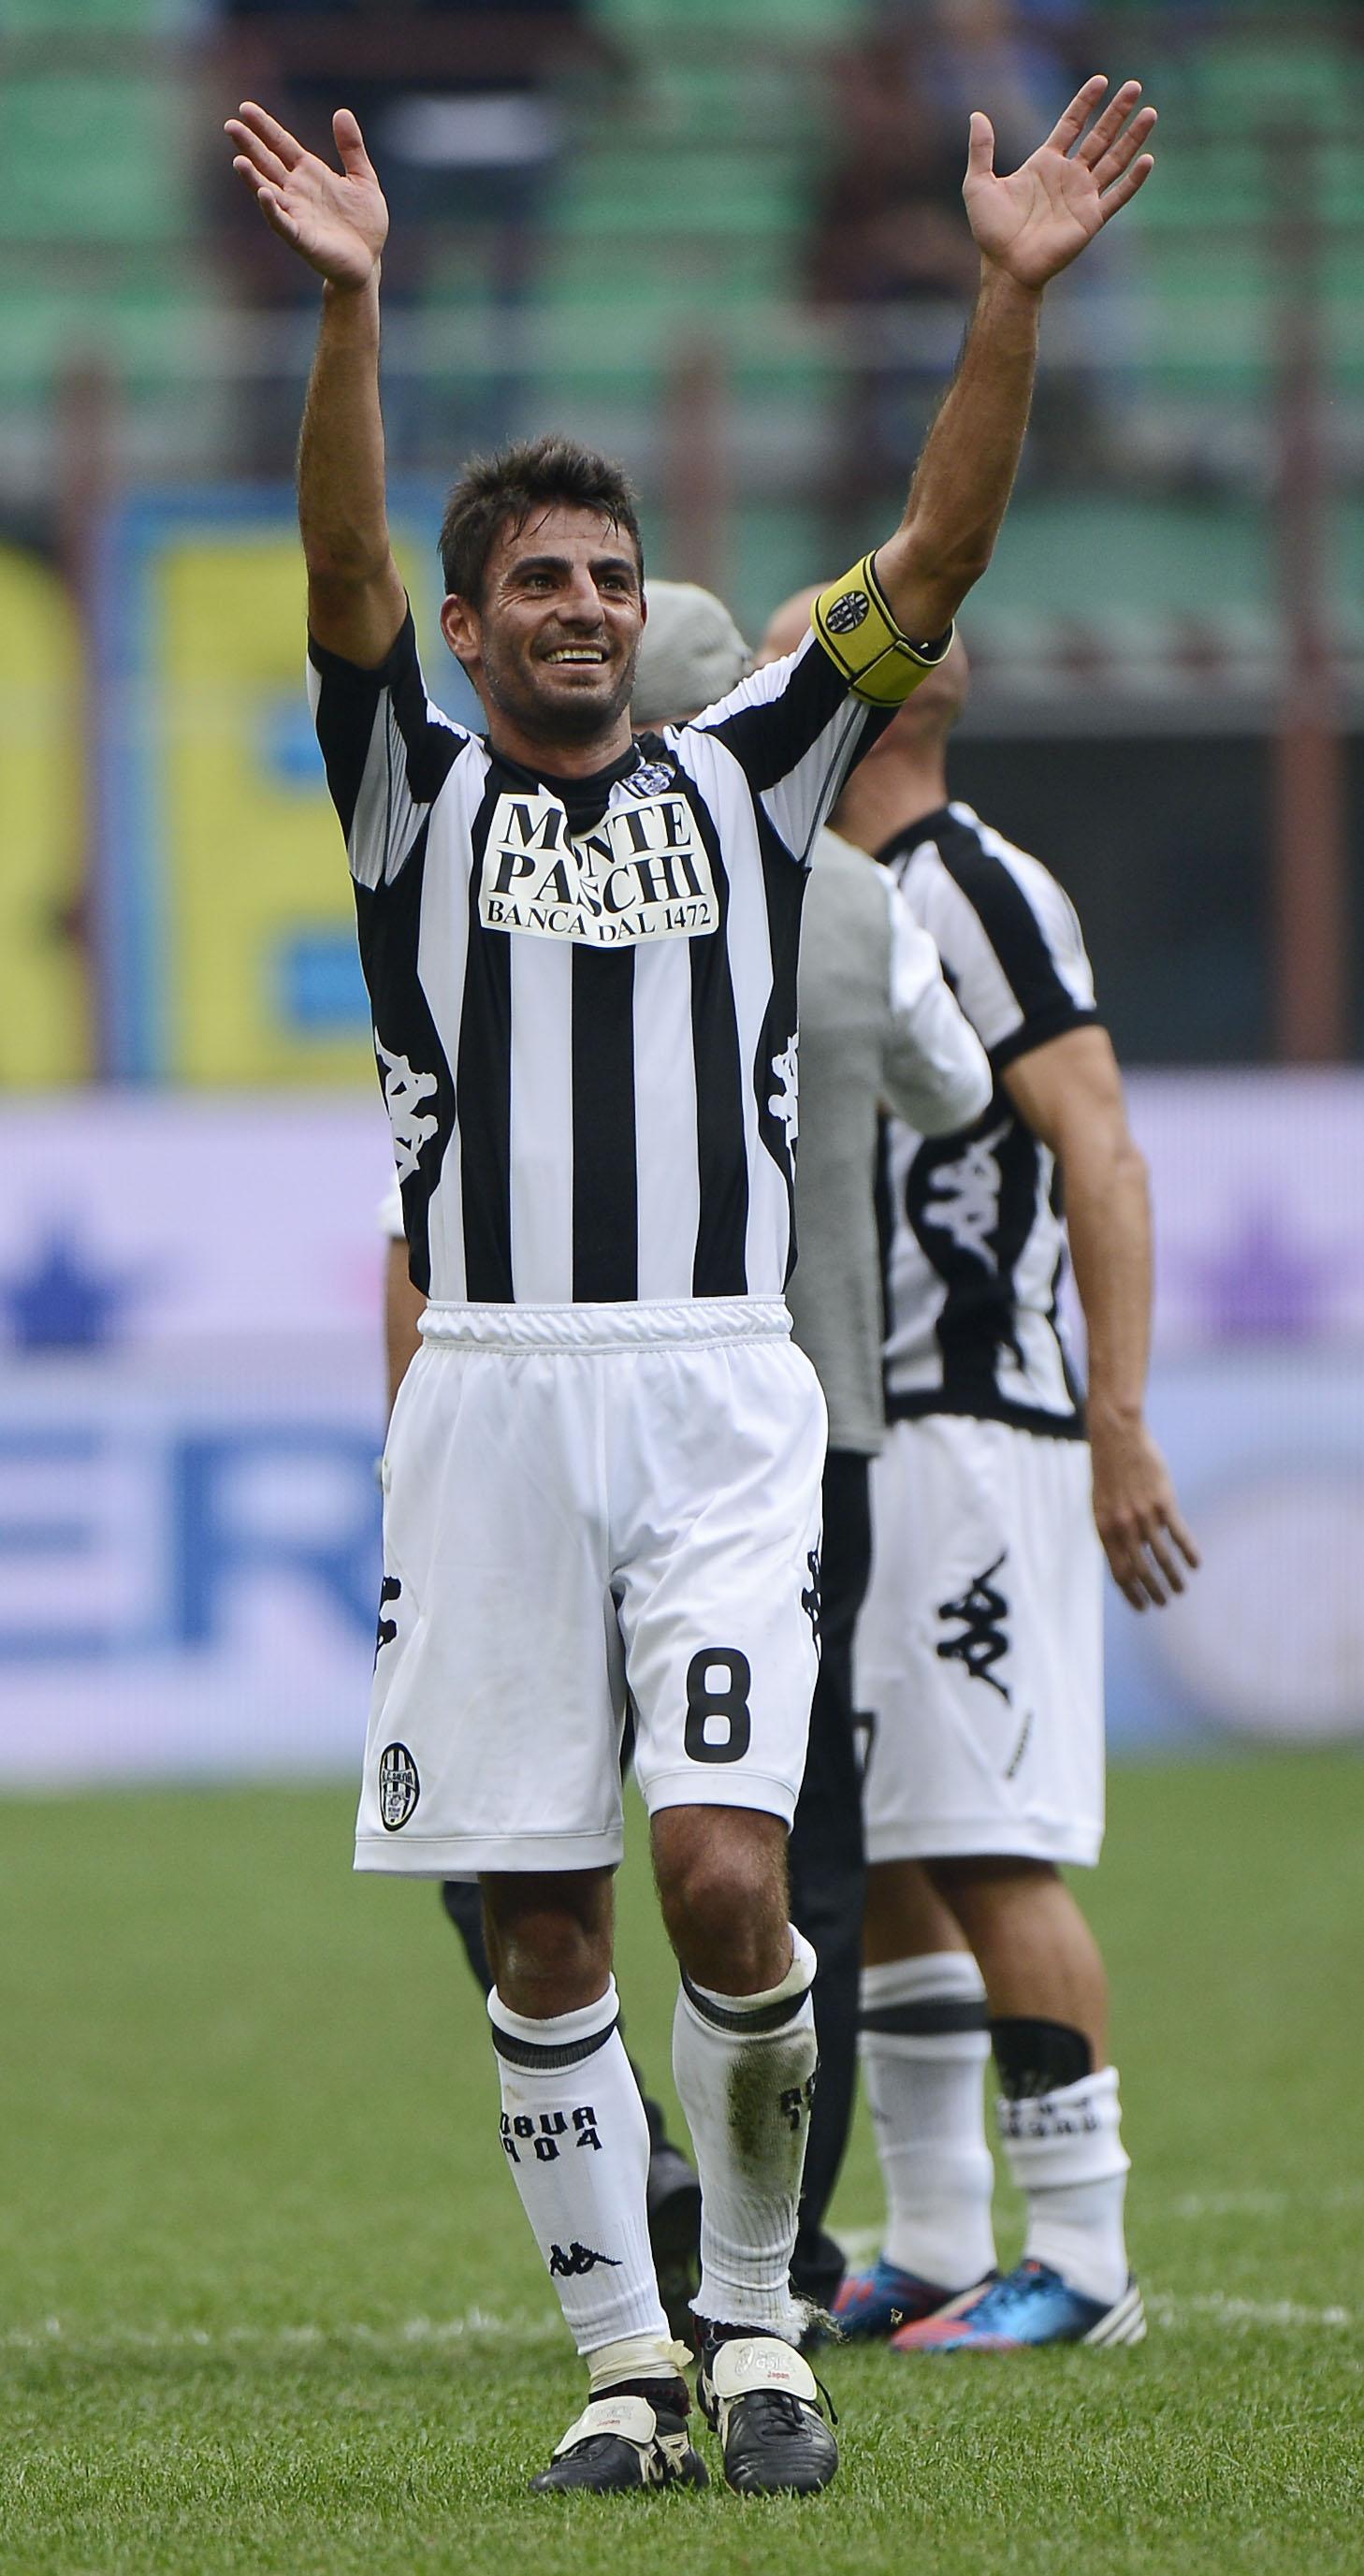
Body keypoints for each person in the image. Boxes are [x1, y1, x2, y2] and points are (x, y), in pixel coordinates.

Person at [225, 71, 1157, 2494]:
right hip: (494, 1395)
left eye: (610, 580)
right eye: (539, 582)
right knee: (540, 1924)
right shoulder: (411, 800)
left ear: (647, 620)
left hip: (724, 1393)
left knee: (729, 1868)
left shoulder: (748, 777)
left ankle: (758, 2325)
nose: (583, 608)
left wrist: (1006, 299)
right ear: (467, 629)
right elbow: (334, 566)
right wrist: (354, 308)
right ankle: (628, 2363)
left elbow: (938, 550)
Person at [380, 581, 994, 2332]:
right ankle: (781, 2260)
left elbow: (416, 1213)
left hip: (655, 1403)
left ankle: (681, 2216)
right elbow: (963, 1097)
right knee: (800, 1853)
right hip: (817, 1410)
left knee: (531, 1850)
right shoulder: (848, 890)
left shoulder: (490, 880)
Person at [760, 599, 1199, 2353]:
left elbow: (1099, 1143)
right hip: (868, 1419)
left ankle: (1081, 2252)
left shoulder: (976, 887)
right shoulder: (834, 888)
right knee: (885, 1837)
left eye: (799, 659)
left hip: (975, 1417)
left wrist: (1117, 1416)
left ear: (875, 695)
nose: (772, 688)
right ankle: (939, 2229)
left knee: (991, 1839)